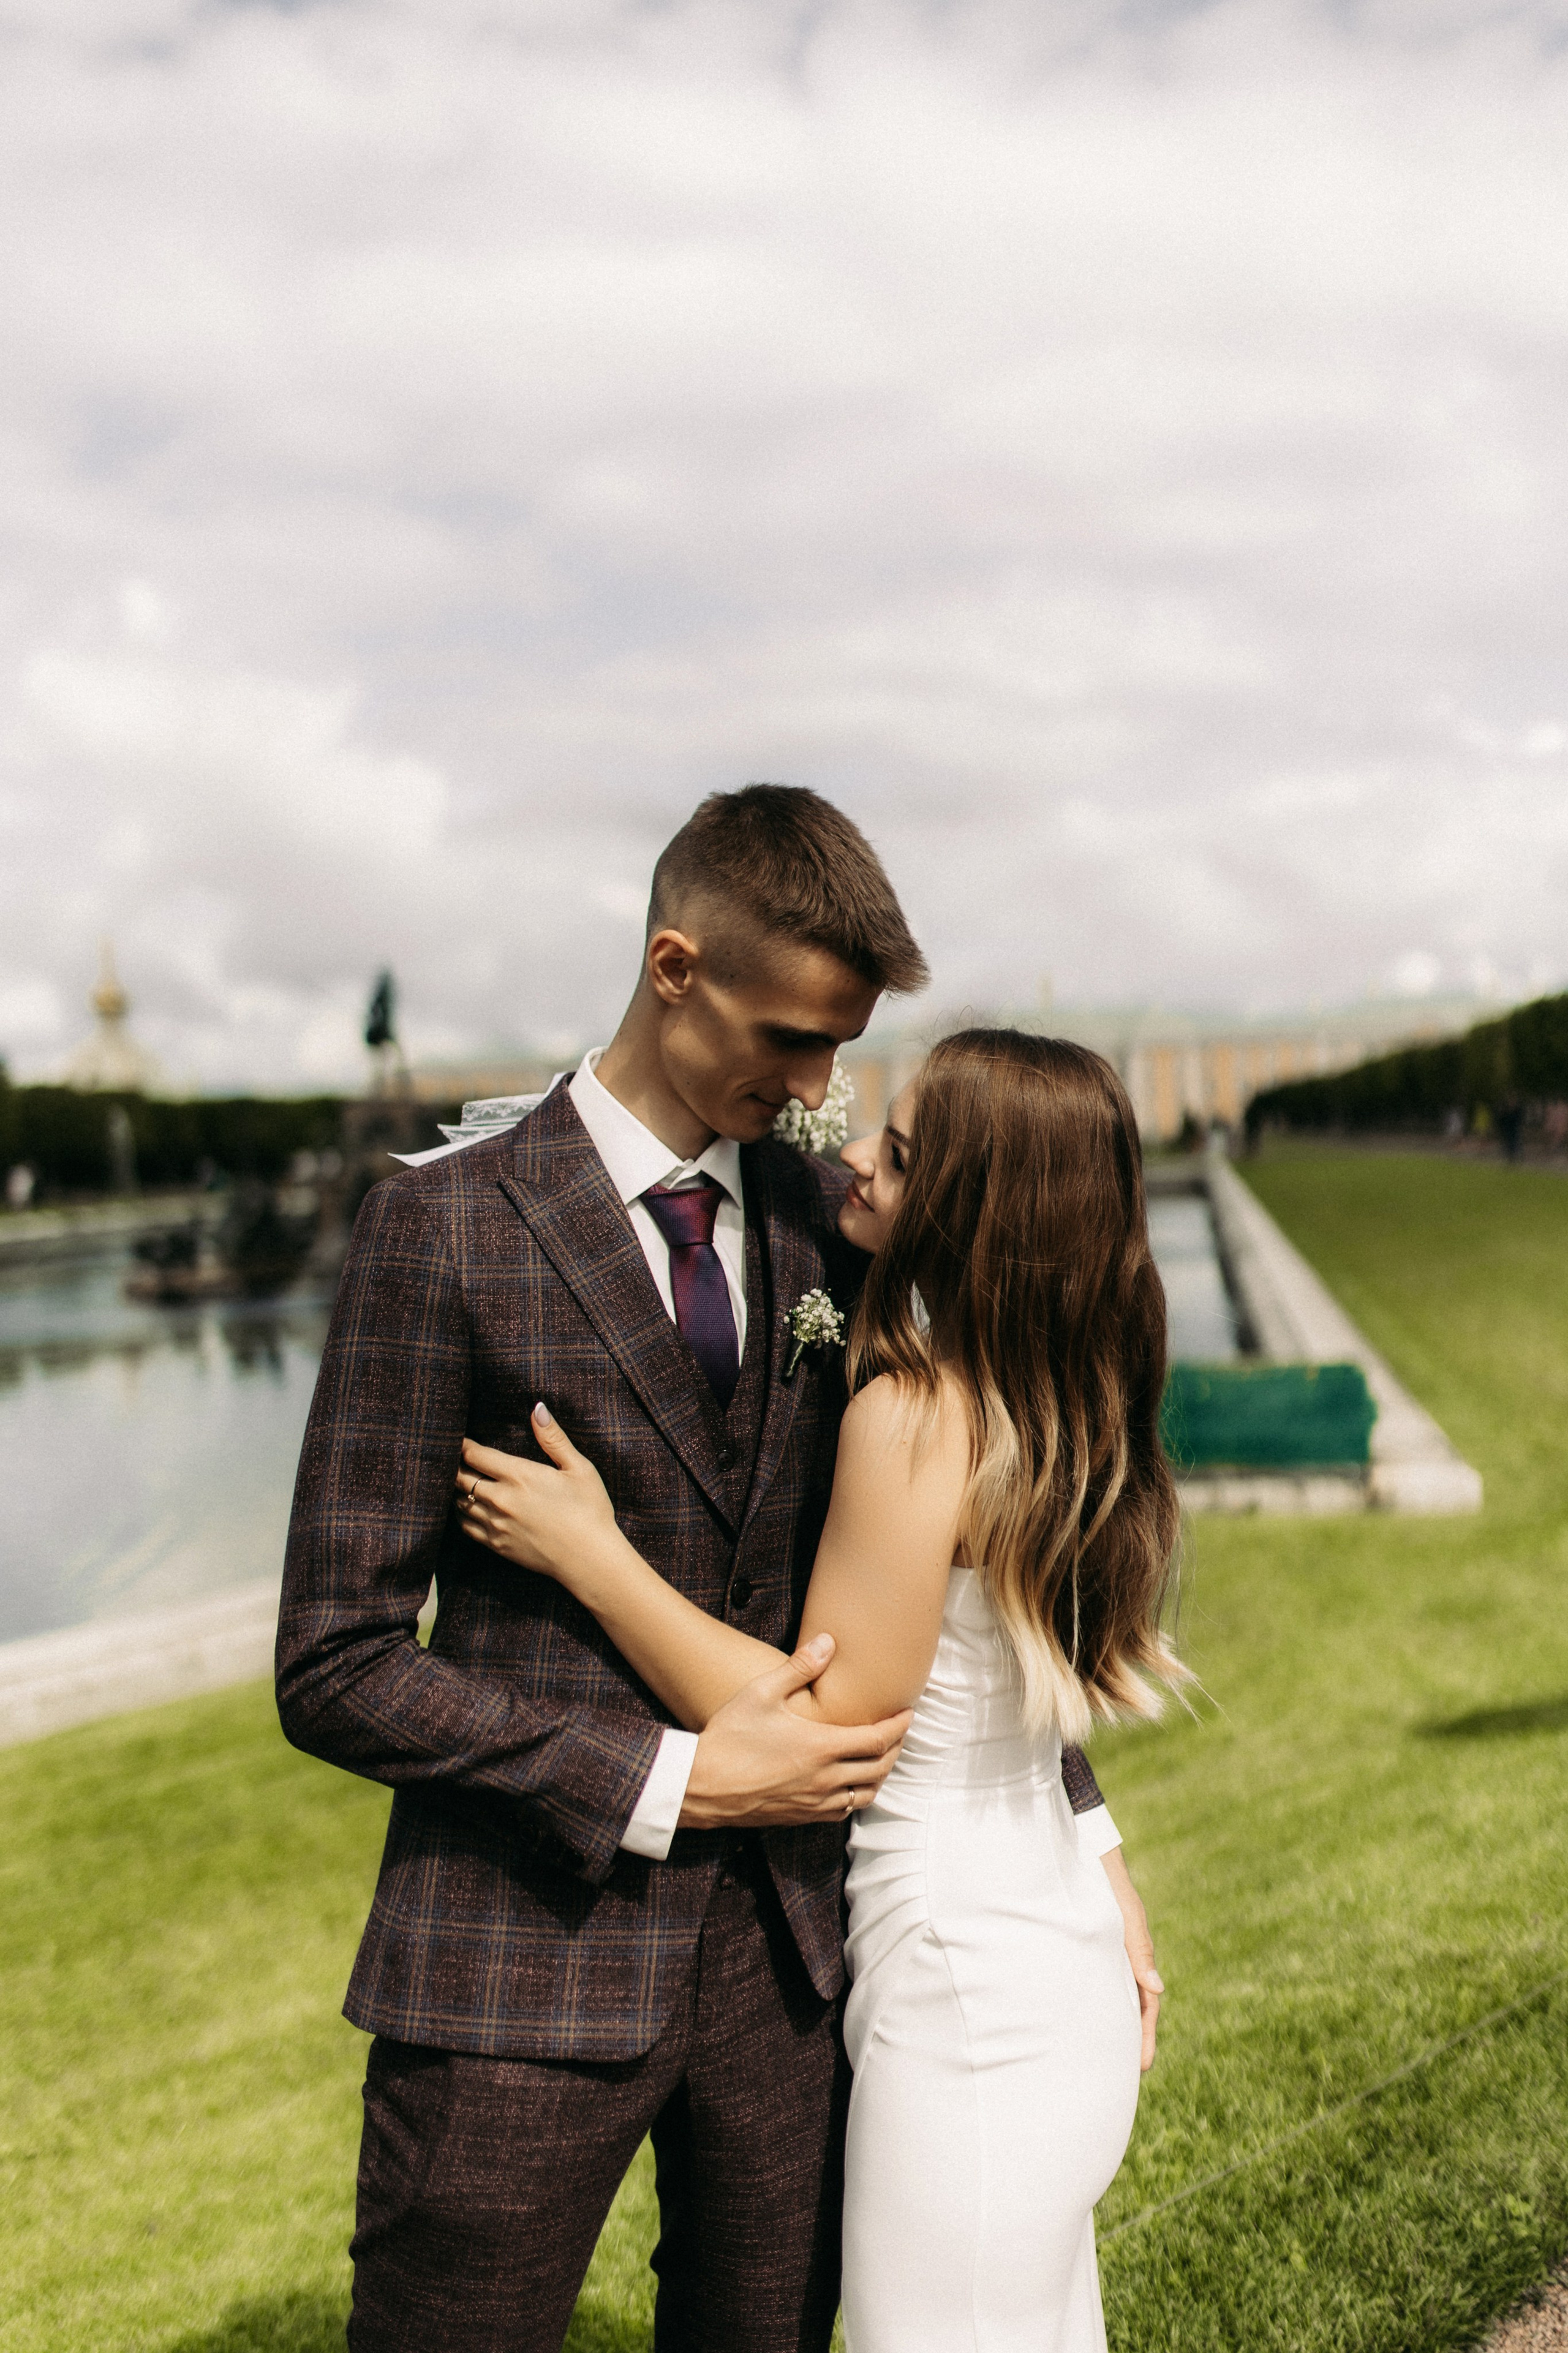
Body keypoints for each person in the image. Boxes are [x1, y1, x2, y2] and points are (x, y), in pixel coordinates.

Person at [277, 785, 1155, 2352]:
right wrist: (664, 1779)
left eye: (843, 1048)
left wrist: (1078, 1832)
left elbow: (968, 1583)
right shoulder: (443, 1231)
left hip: (799, 1977)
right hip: (510, 1975)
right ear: (673, 967)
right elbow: (335, 1662)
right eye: (791, 1038)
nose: (820, 1087)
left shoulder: (849, 1225)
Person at [459, 1029, 1185, 2351]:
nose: (851, 1152)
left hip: (960, 1989)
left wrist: (592, 1556)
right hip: (1055, 1954)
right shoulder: (1070, 1397)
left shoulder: (914, 1413)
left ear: (970, 1217)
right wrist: (1107, 1858)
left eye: (898, 1156)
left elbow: (825, 1728)